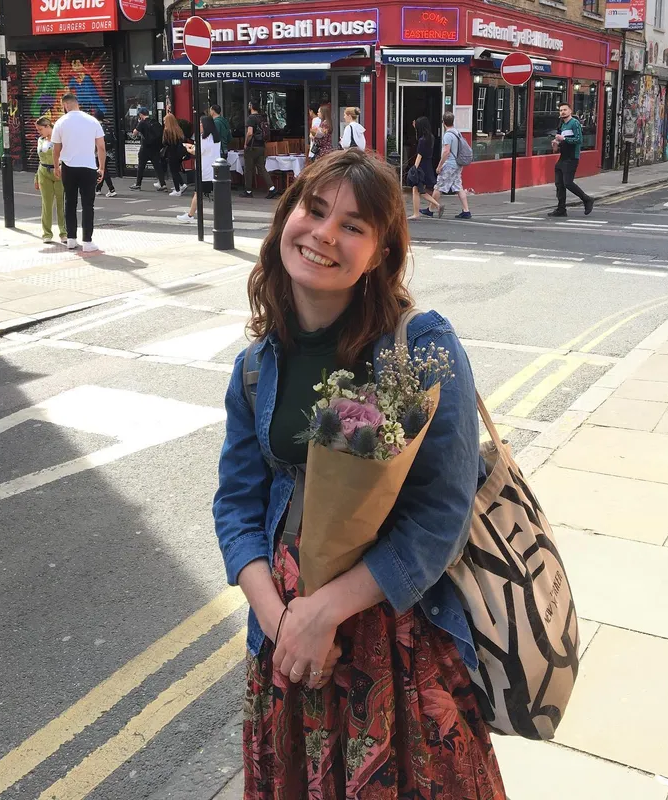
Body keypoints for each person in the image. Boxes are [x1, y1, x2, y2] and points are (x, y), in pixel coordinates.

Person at [213, 148, 507, 799]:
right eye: (313, 210)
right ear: (286, 216)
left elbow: (441, 514)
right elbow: (235, 506)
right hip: (287, 646)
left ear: (380, 253)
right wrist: (285, 621)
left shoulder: (419, 346)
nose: (323, 234)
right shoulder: (257, 367)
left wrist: (327, 611)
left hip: (395, 639)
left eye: (352, 225)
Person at [51, 93, 105, 253]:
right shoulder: (92, 120)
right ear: (76, 103)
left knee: (70, 202)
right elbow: (101, 147)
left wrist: (56, 166)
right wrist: (101, 167)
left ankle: (71, 239)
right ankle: (87, 241)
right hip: (88, 167)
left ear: (66, 105)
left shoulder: (60, 122)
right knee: (88, 205)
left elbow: (56, 149)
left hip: (68, 167)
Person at [548, 102, 594, 217]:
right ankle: (561, 209)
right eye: (560, 110)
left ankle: (587, 199)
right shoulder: (562, 125)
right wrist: (555, 144)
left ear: (570, 111)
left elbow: (578, 140)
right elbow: (559, 144)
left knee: (568, 183)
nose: (562, 112)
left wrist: (563, 138)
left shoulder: (575, 123)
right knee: (559, 184)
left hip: (572, 157)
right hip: (562, 157)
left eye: (565, 109)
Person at [425, 111, 471, 220]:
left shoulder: (448, 135)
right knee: (458, 187)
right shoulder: (457, 132)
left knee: (438, 186)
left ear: (443, 122)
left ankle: (430, 210)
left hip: (450, 164)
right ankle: (466, 210)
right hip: (458, 164)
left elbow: (446, 152)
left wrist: (439, 166)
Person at [177, 115, 221, 224]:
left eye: (201, 123)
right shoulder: (215, 137)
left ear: (205, 125)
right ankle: (228, 214)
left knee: (198, 193)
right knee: (218, 194)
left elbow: (197, 152)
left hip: (204, 170)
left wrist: (187, 148)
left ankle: (190, 215)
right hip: (215, 169)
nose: (199, 125)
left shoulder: (204, 138)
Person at [33, 116, 66, 244]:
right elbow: (40, 159)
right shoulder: (40, 140)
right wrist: (36, 177)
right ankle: (47, 233)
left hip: (59, 172)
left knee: (60, 204)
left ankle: (64, 232)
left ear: (48, 127)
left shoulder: (59, 139)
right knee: (46, 204)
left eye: (40, 129)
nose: (39, 132)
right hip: (43, 172)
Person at [240, 100, 277, 199]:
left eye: (249, 104)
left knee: (249, 169)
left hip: (252, 146)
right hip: (261, 146)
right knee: (261, 168)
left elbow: (250, 132)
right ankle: (272, 188)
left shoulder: (250, 118)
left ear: (251, 106)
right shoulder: (262, 117)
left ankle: (248, 190)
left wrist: (245, 143)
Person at [408, 116, 442, 220]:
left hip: (421, 167)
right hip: (428, 165)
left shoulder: (422, 140)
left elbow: (419, 155)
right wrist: (415, 127)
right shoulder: (430, 137)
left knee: (416, 190)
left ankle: (416, 213)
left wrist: (414, 168)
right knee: (420, 190)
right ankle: (437, 205)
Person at [130, 107, 168, 192]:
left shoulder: (142, 123)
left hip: (145, 148)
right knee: (158, 167)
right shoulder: (155, 122)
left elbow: (134, 133)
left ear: (140, 115)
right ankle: (163, 184)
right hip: (155, 148)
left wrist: (137, 126)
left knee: (141, 166)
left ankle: (138, 184)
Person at [162, 112, 188, 197]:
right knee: (176, 170)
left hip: (171, 153)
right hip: (179, 153)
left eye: (165, 121)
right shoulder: (178, 129)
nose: (164, 122)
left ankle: (177, 190)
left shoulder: (167, 131)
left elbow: (164, 142)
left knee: (173, 172)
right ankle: (182, 184)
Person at [93, 110, 117, 198]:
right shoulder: (107, 127)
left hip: (99, 153)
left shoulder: (96, 127)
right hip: (109, 153)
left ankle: (112, 189)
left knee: (103, 170)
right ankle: (98, 189)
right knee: (103, 168)